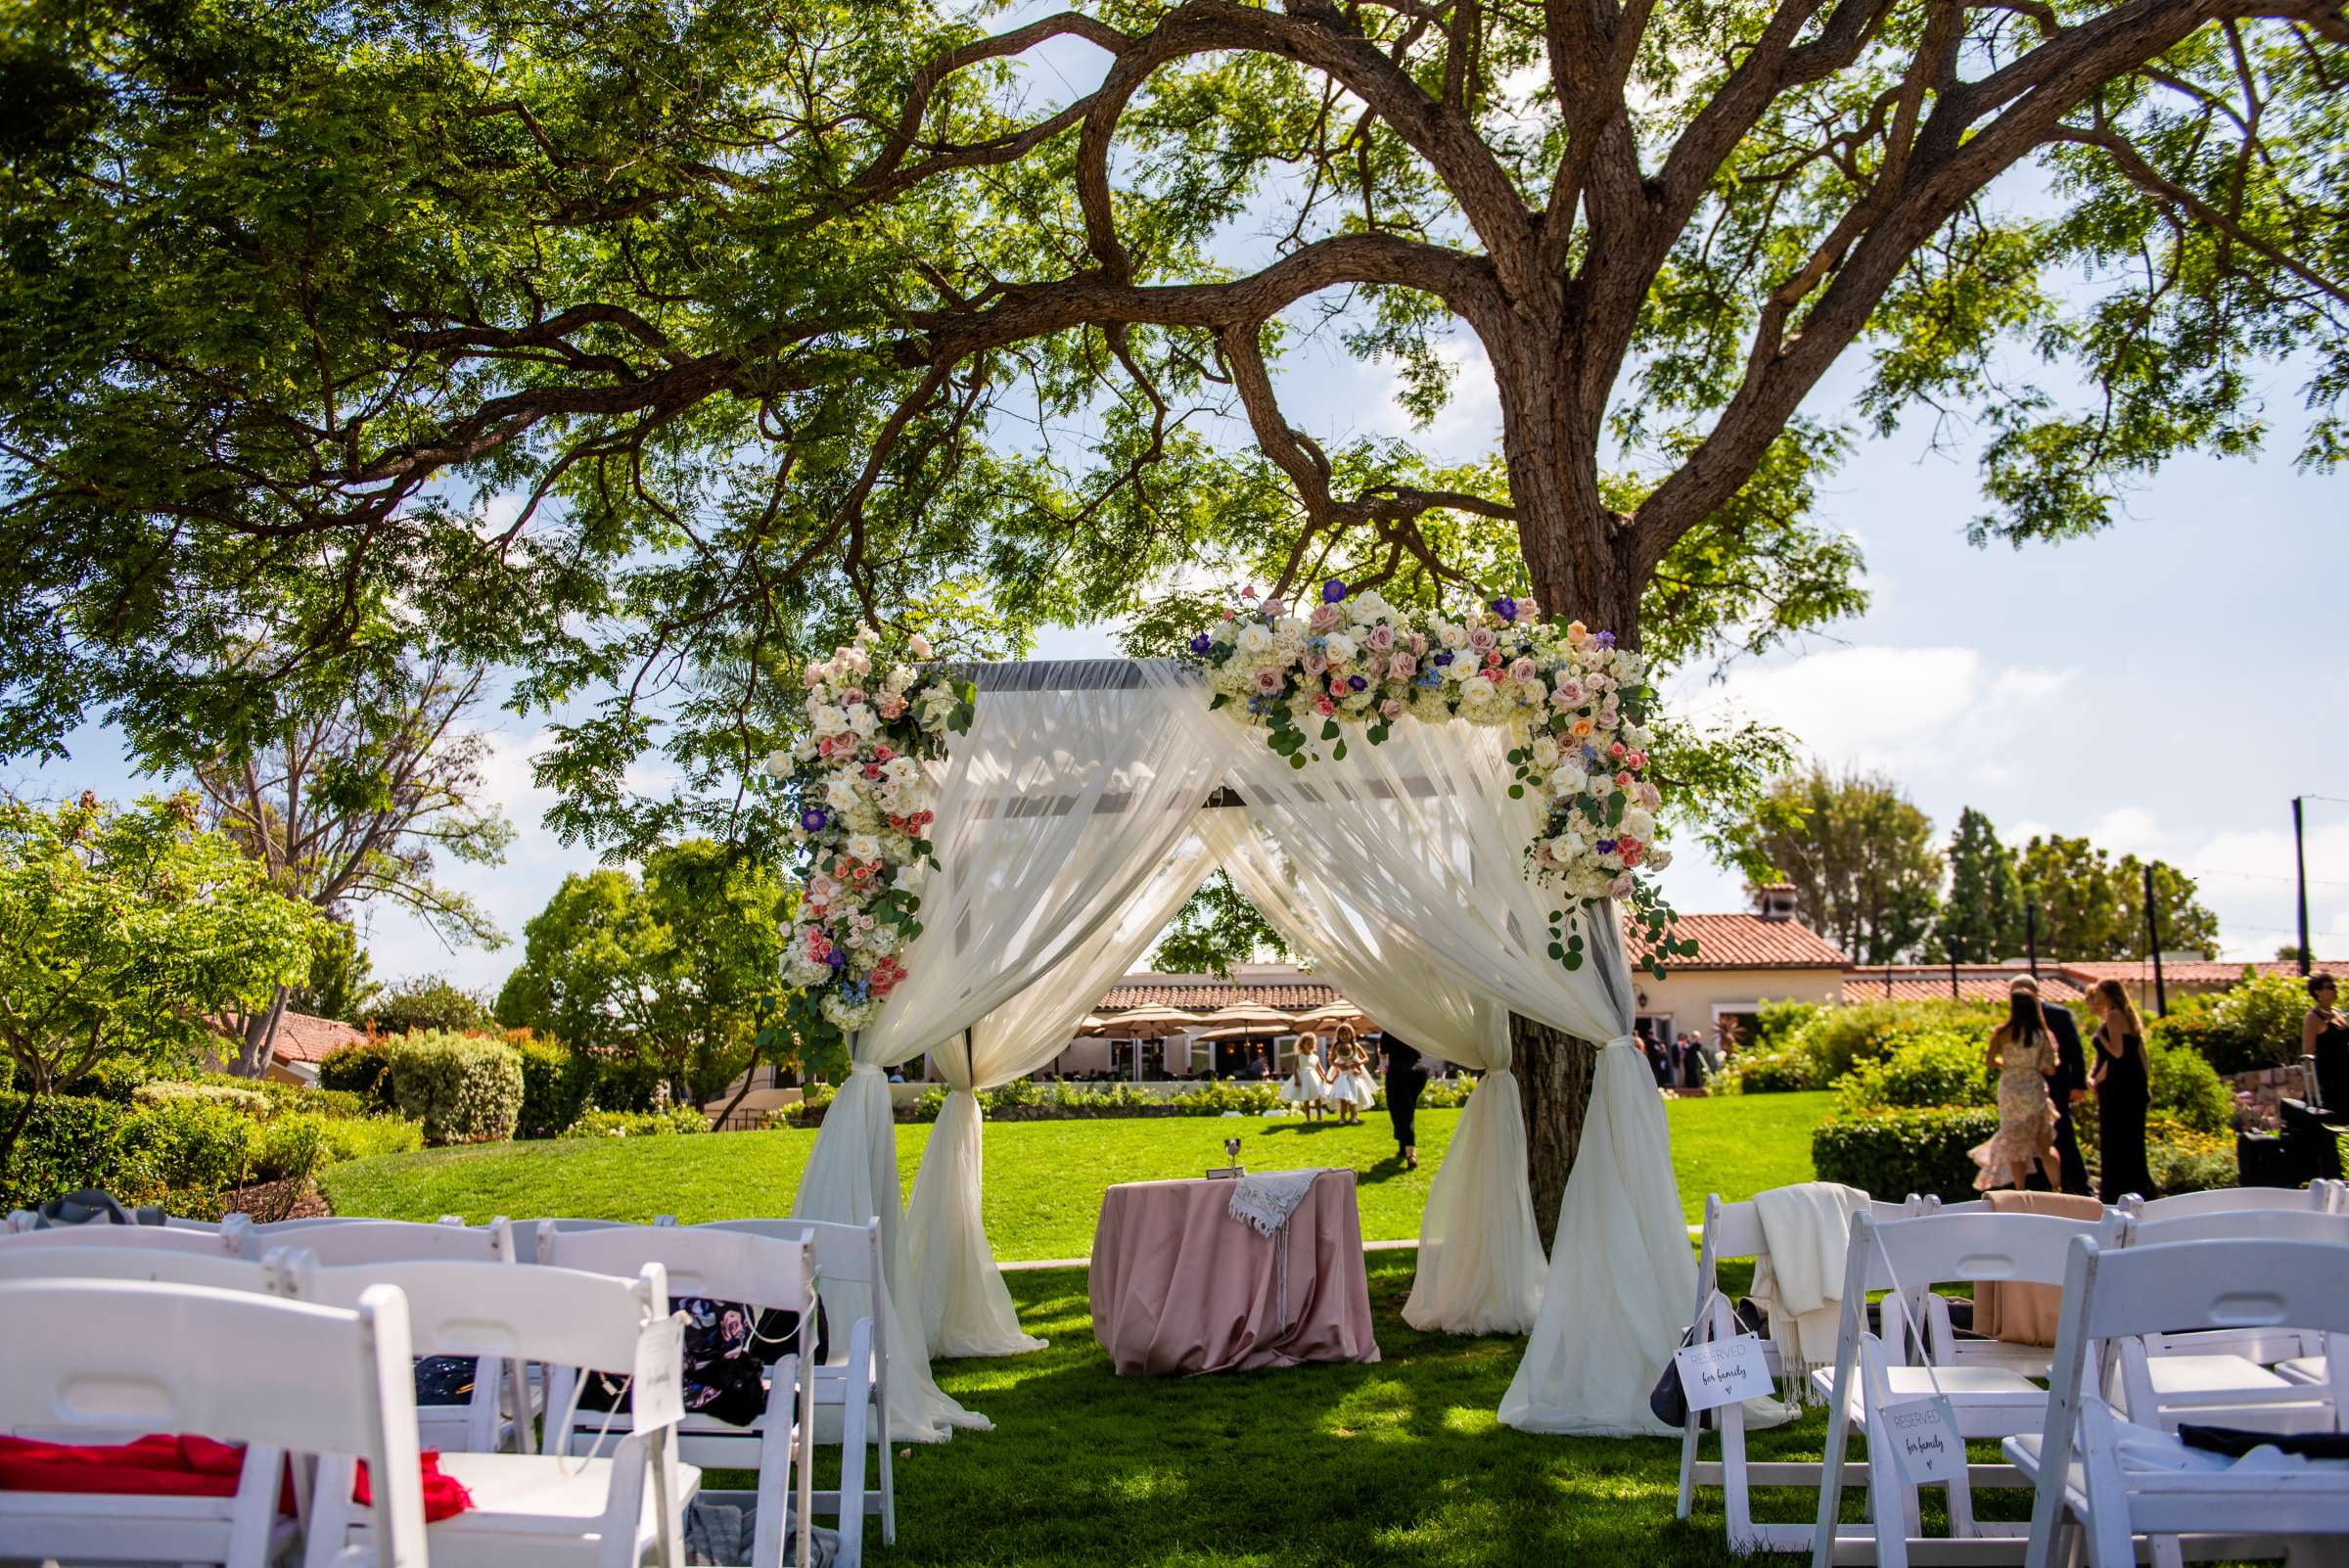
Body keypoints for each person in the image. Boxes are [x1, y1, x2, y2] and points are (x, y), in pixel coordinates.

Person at [1968, 988, 2061, 1191]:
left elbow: (1990, 1061)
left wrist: (2008, 1063)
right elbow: (2051, 1068)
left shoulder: (2002, 1033)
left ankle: (2020, 1190)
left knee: (2015, 1145)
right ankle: (2057, 1187)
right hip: (2033, 1090)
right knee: (2045, 1145)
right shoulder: (2041, 1034)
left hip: (2010, 1090)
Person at [2012, 975, 2092, 1195]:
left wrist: (2078, 1084)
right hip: (2026, 1089)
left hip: (2056, 1086)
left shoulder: (2057, 1015)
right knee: (2031, 1138)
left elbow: (2075, 1051)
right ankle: (2040, 1185)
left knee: (2062, 1134)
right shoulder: (2015, 1022)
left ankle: (2079, 1186)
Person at [2087, 978, 2155, 1204]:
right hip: (2126, 1086)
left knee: (2117, 1140)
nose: (2094, 996)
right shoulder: (2124, 1016)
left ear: (2107, 993)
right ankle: (2134, 1188)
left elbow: (2117, 1052)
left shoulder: (2115, 1016)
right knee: (2129, 1140)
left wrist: (2099, 1038)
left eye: (2098, 992)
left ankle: (2118, 1190)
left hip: (2120, 1089)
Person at [2304, 974, 2347, 1117]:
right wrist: (2312, 1090)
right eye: (2330, 987)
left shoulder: (2338, 1013)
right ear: (2317, 992)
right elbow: (2307, 1053)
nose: (2335, 990)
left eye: (2335, 986)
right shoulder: (2313, 1017)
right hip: (2330, 1076)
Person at [1383, 1033, 1429, 1169]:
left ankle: (1411, 1152)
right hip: (1419, 1072)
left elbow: (1383, 1051)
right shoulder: (1410, 1023)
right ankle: (1403, 1147)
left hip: (1398, 1072)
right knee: (1408, 1109)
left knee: (1398, 1111)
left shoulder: (1389, 1029)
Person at [1327, 1026, 1377, 1126]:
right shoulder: (1335, 1046)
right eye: (1342, 1034)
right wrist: (1339, 1065)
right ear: (1339, 1035)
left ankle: (1354, 1116)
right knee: (1343, 1098)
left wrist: (1357, 1064)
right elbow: (1331, 1060)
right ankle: (1342, 1117)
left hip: (1353, 1076)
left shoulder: (1355, 1045)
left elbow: (1366, 1058)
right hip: (1342, 1076)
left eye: (1347, 1034)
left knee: (1353, 1096)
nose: (1345, 1036)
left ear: (1351, 1034)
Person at [1279, 1033, 1331, 1123]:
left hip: (1314, 1079)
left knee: (1317, 1097)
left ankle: (1319, 1117)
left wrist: (1324, 1077)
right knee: (1306, 1098)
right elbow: (1295, 1069)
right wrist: (1297, 1079)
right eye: (1308, 1043)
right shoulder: (1299, 1056)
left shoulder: (1315, 1057)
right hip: (1303, 1079)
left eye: (1312, 1043)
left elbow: (1319, 1069)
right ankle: (1307, 1118)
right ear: (1302, 1044)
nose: (1311, 1045)